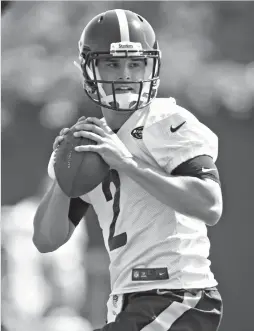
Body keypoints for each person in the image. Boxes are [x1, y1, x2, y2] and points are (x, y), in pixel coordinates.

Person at [33, 9, 223, 331]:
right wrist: (64, 175)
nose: (125, 74)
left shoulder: (166, 121)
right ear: (88, 69)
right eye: (112, 63)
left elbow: (210, 205)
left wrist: (127, 164)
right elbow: (45, 239)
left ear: (151, 67)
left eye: (135, 64)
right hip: (126, 303)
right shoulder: (90, 141)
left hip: (180, 295)